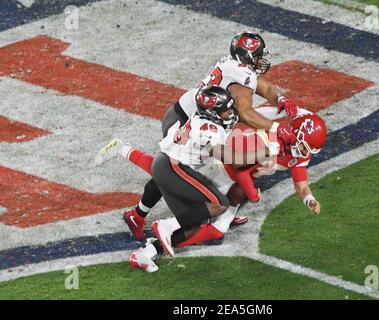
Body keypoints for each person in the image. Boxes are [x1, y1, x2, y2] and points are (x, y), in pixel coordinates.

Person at [95, 31, 300, 241]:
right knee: (174, 170)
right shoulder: (241, 75)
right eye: (256, 56)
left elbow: (260, 84)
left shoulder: (237, 67)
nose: (259, 60)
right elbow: (246, 112)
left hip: (191, 116)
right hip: (188, 120)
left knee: (189, 171)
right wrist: (275, 128)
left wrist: (280, 98)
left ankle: (143, 213)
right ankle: (133, 191)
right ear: (245, 56)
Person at [97, 109, 327, 254]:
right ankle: (163, 227)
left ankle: (150, 249)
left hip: (232, 180)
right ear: (294, 135)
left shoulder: (296, 151)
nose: (303, 153)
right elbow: (239, 168)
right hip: (218, 166)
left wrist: (309, 200)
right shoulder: (266, 139)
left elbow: (300, 182)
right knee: (168, 175)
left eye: (308, 149)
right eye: (304, 146)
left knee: (214, 227)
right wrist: (252, 193)